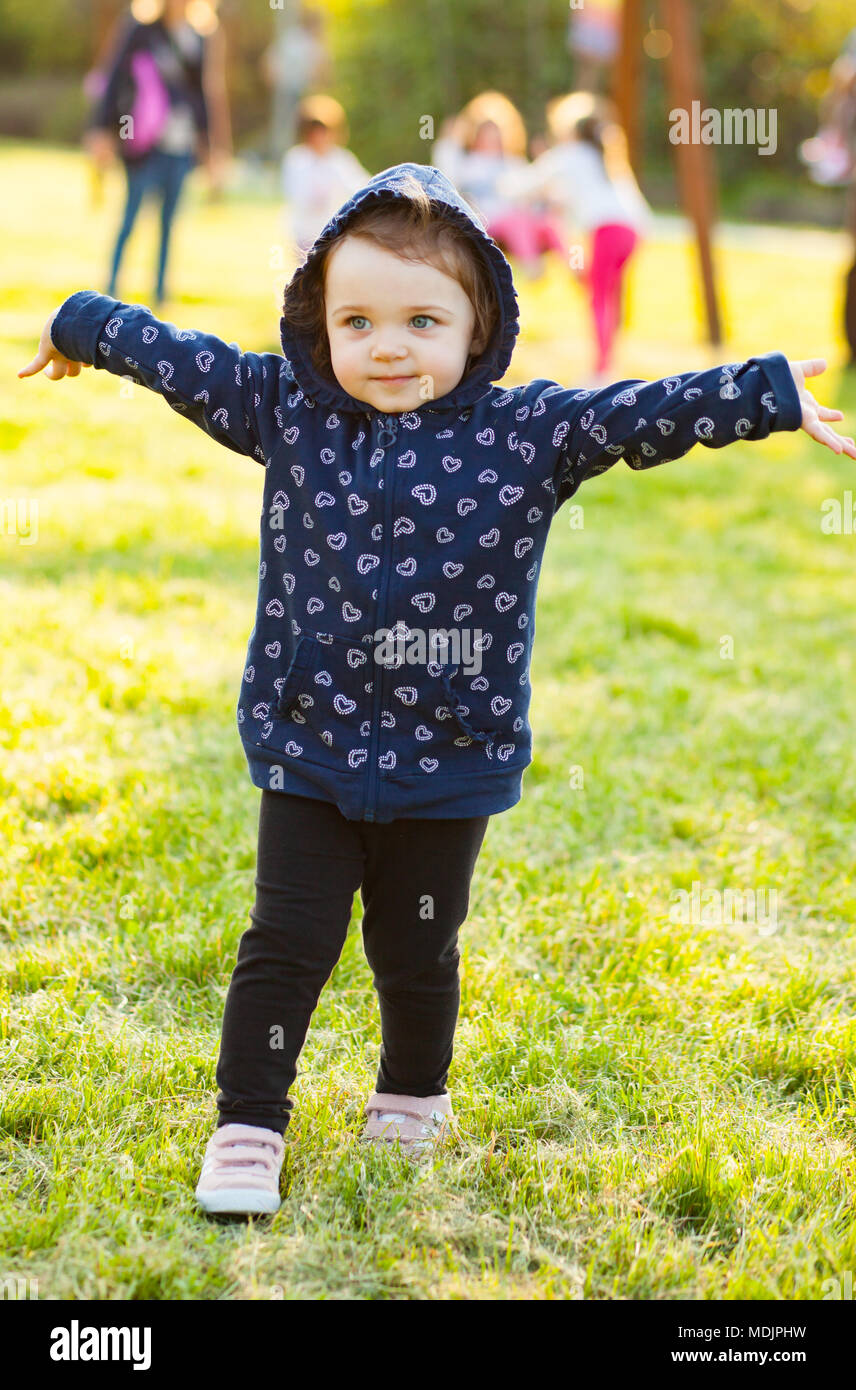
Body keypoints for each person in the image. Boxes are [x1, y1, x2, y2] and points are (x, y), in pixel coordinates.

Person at [19, 163, 855, 1217]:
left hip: (452, 758)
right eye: (356, 320)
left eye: (421, 319)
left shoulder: (527, 432)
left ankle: (412, 1096)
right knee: (285, 943)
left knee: (417, 945)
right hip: (308, 749)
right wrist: (79, 321)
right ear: (317, 325)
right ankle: (247, 1123)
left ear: (477, 327)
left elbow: (640, 412)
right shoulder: (285, 408)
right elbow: (177, 359)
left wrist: (764, 392)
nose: (388, 345)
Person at [499, 93, 650, 383]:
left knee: (598, 297)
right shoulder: (604, 156)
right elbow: (577, 197)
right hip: (632, 232)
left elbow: (525, 184)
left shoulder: (570, 154)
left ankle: (602, 370)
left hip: (607, 230)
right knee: (609, 294)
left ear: (570, 131)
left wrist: (497, 185)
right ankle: (609, 361)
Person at [84, 0, 226, 308]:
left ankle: (160, 295)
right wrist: (102, 129)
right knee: (130, 218)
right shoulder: (140, 30)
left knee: (168, 223)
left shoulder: (198, 36)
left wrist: (210, 147)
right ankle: (109, 291)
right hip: (142, 142)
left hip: (181, 145)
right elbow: (115, 81)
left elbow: (202, 94)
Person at [451, 104, 567, 281]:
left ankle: (572, 270)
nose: (493, 139)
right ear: (476, 136)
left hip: (523, 214)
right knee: (516, 219)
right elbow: (460, 185)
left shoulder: (514, 163)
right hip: (490, 217)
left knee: (548, 223)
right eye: (487, 134)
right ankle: (532, 270)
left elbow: (531, 187)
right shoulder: (470, 165)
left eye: (496, 133)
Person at [281, 95, 370, 259]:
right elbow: (296, 194)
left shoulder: (340, 160)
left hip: (332, 233)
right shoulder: (297, 160)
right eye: (314, 132)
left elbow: (361, 185)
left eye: (323, 132)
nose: (319, 138)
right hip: (305, 234)